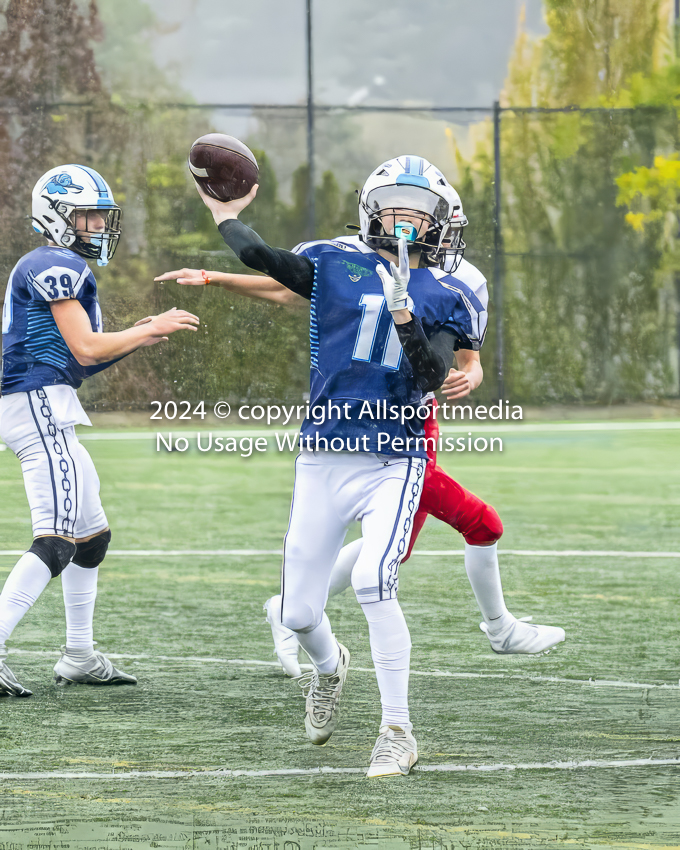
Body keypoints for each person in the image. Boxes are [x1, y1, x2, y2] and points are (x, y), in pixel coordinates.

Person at [180, 154, 501, 777]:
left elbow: (434, 373)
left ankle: (397, 731)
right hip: (324, 451)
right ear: (372, 213)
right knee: (299, 613)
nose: (405, 221)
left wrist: (408, 317)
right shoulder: (335, 260)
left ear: (439, 223)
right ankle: (330, 671)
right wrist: (224, 214)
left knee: (374, 580)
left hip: (395, 454)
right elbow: (265, 260)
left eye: (419, 212)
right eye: (394, 209)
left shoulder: (448, 290)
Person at [156, 224, 565, 680]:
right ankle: (499, 628)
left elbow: (469, 358)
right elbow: (288, 289)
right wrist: (217, 277)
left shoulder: (458, 277)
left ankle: (287, 609)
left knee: (398, 548)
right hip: (370, 428)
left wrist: (472, 376)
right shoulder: (350, 256)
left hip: (415, 423)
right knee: (481, 522)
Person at [0, 163, 199, 696]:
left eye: (98, 216)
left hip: (48, 400)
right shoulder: (53, 262)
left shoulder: (58, 263)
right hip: (37, 405)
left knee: (92, 537)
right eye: (86, 215)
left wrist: (134, 337)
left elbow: (79, 362)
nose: (96, 226)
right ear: (56, 216)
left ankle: (80, 656)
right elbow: (86, 347)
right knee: (57, 539)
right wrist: (151, 326)